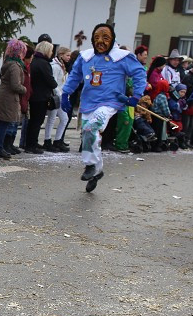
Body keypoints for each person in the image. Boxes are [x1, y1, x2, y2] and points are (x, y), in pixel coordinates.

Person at [59, 23, 148, 193]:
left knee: (91, 128)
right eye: (97, 38)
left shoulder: (122, 57)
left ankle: (90, 165)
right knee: (89, 135)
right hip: (88, 102)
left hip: (109, 102)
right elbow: (75, 75)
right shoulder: (86, 57)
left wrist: (136, 95)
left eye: (105, 38)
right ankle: (97, 170)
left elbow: (139, 73)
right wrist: (66, 93)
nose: (100, 41)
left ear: (112, 39)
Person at [0, 38, 26, 158]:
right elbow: (15, 85)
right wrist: (24, 89)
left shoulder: (8, 63)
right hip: (9, 98)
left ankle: (0, 147)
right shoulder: (15, 66)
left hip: (5, 96)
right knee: (4, 124)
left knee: (4, 123)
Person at [25, 41, 56, 154]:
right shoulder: (43, 63)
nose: (52, 53)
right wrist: (54, 85)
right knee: (37, 121)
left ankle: (31, 142)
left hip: (34, 95)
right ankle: (31, 144)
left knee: (33, 121)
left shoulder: (35, 61)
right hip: (40, 96)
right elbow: (50, 79)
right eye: (51, 50)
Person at [43, 44, 71, 152]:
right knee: (51, 118)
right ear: (61, 55)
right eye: (67, 55)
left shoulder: (63, 67)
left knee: (64, 119)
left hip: (61, 96)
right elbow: (53, 82)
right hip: (55, 96)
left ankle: (58, 140)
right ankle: (47, 140)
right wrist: (58, 94)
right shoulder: (55, 66)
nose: (69, 57)